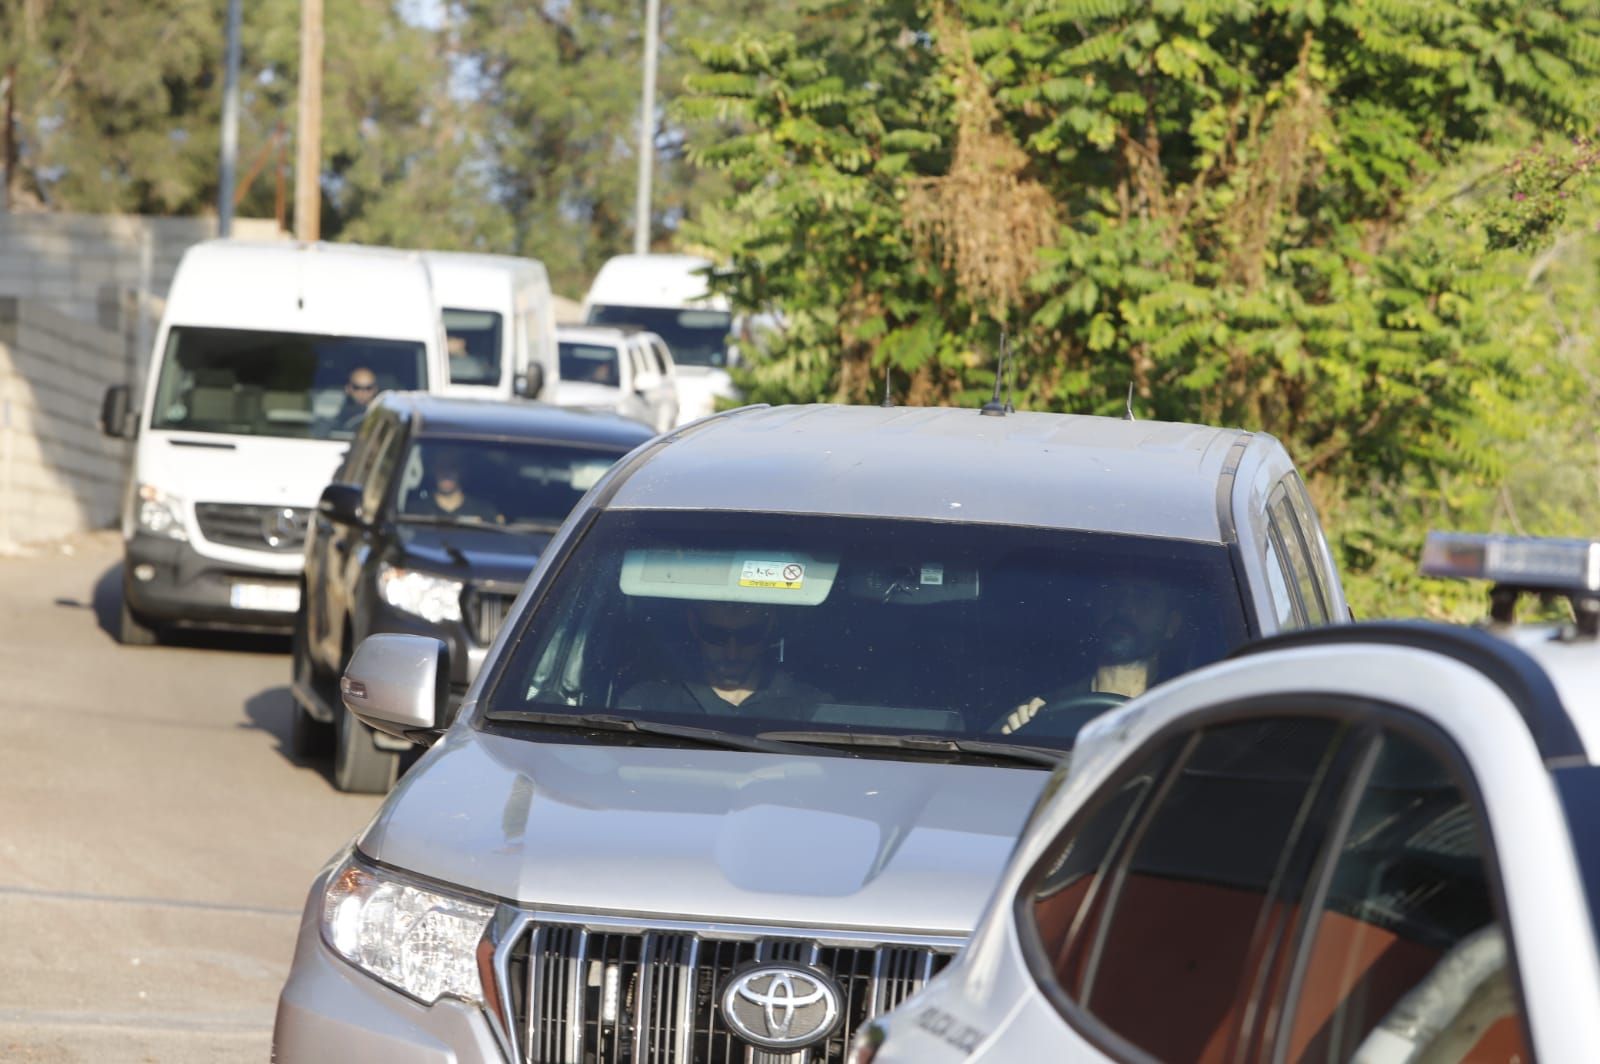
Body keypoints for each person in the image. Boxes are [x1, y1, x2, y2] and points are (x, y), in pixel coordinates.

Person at [996, 579, 1185, 736]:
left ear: (1171, 625)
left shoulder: (1187, 715)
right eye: (1113, 594)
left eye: (1143, 598)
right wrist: (1017, 737)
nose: (1123, 608)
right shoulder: (1041, 711)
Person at [618, 601, 825, 718]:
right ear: (694, 625)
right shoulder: (646, 704)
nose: (732, 653)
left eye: (748, 635)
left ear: (770, 625)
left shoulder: (814, 709)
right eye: (716, 635)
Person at [408, 450, 501, 522]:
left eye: (452, 467)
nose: (446, 473)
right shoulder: (415, 512)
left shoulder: (484, 512)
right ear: (433, 470)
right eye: (441, 466)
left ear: (462, 471)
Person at [333, 366, 379, 431]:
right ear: (348, 389)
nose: (363, 393)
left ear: (375, 389)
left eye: (368, 388)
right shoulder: (336, 414)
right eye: (357, 387)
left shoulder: (383, 416)